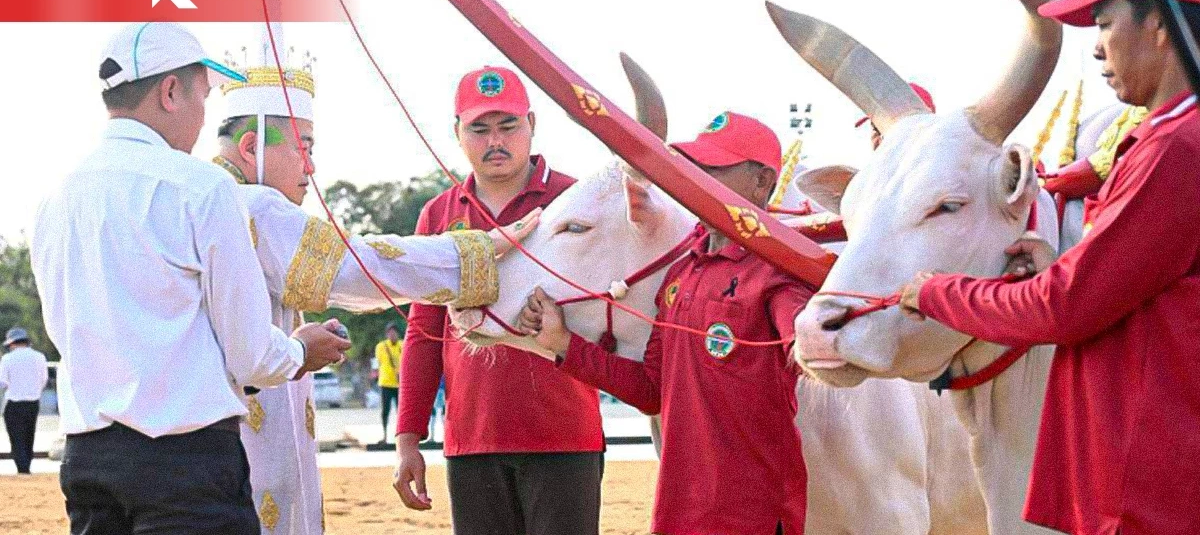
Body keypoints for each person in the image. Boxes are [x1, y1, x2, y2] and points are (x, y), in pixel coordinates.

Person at [899, 0, 1200, 535]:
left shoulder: (1175, 148)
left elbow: (1067, 307)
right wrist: (1058, 265)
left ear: (1162, 25)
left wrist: (935, 292)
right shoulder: (1171, 138)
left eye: (1106, 23)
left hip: (1146, 485)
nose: (1095, 50)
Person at [30, 22, 350, 535]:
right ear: (171, 91)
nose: (205, 119)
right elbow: (250, 351)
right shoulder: (198, 187)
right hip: (187, 464)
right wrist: (298, 353)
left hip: (89, 461)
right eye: (203, 96)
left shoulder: (56, 199)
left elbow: (66, 332)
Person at [213, 59, 536, 534]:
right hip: (235, 450)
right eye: (303, 147)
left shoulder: (191, 196)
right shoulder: (250, 205)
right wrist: (481, 250)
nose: (312, 166)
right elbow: (359, 268)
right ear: (251, 147)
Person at [519, 112, 814, 535]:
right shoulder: (681, 274)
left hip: (755, 516)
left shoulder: (779, 273)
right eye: (690, 169)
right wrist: (563, 342)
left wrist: (811, 336)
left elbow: (804, 345)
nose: (693, 182)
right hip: (678, 512)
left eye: (711, 170)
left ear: (763, 182)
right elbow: (652, 390)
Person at [394, 66, 605, 535]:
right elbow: (425, 330)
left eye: (508, 126)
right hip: (472, 439)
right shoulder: (440, 213)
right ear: (457, 133)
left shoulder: (575, 200)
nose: (496, 141)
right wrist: (408, 437)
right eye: (479, 129)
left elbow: (608, 311)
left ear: (532, 124)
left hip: (564, 434)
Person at [0, 328, 48, 474]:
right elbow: (44, 379)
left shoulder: (7, 359)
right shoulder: (39, 357)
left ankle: (22, 468)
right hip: (32, 402)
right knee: (29, 435)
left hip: (13, 403)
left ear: (12, 343)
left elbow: (3, 382)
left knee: (16, 437)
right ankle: (27, 465)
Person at [375, 324, 402, 443]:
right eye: (390, 332)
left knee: (400, 411)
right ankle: (384, 435)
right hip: (386, 382)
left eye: (394, 332)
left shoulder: (403, 345)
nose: (392, 335)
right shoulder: (381, 346)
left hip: (400, 383)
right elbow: (379, 362)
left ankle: (400, 437)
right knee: (385, 410)